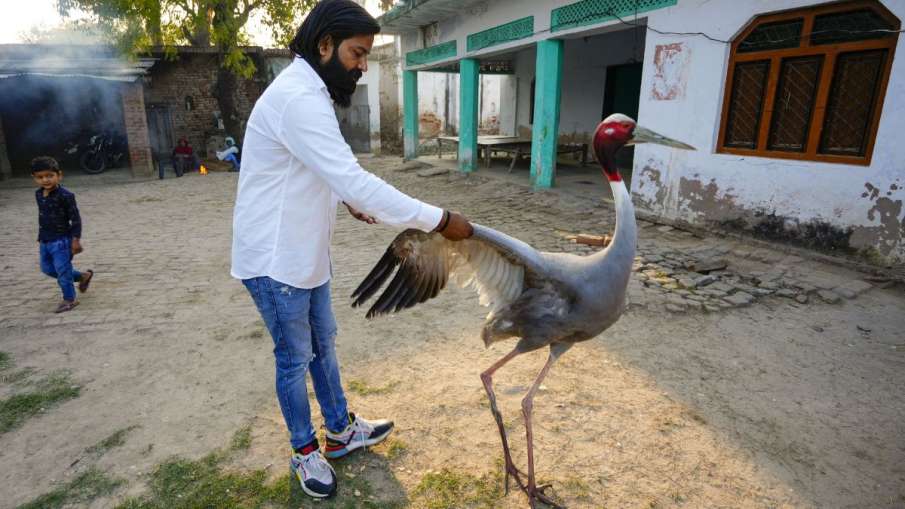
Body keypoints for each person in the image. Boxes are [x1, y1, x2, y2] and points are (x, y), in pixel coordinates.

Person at [231, 0, 473, 500]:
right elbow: (353, 177)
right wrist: (441, 220)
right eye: (357, 54)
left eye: (366, 55)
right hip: (275, 261)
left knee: (325, 344)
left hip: (305, 254)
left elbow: (321, 169)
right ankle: (304, 450)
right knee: (295, 359)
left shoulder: (311, 92)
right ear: (324, 46)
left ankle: (340, 431)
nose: (363, 65)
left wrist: (344, 199)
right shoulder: (299, 97)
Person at [32, 156, 93, 313]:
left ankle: (69, 299)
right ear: (34, 178)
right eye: (40, 177)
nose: (45, 180)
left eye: (50, 176)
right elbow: (43, 217)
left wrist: (75, 240)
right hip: (45, 240)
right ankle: (82, 276)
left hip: (61, 241)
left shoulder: (66, 195)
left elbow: (75, 219)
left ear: (59, 175)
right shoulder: (38, 195)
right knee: (47, 269)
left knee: (62, 271)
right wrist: (41, 236)